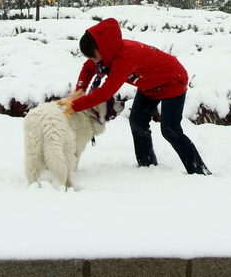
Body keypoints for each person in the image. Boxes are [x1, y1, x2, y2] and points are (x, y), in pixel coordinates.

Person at [58, 18, 211, 175]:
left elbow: (105, 92)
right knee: (137, 122)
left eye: (93, 55)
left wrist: (74, 105)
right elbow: (88, 68)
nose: (92, 60)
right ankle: (147, 165)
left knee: (170, 130)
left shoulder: (124, 58)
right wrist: (79, 91)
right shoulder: (107, 55)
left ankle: (199, 170)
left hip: (173, 81)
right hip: (149, 85)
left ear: (101, 48)